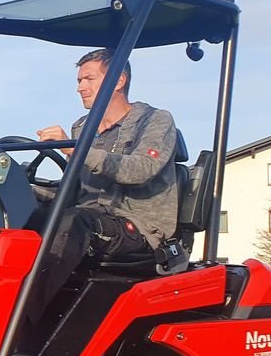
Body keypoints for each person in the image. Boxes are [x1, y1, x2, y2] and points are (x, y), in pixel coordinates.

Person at [29, 48, 179, 312]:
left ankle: (20, 320)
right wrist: (24, 189)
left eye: (88, 79)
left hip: (138, 228)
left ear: (119, 81)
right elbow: (73, 190)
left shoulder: (155, 120)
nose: (80, 88)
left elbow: (140, 169)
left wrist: (76, 150)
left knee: (73, 221)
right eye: (78, 81)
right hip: (90, 219)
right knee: (23, 212)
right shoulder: (82, 127)